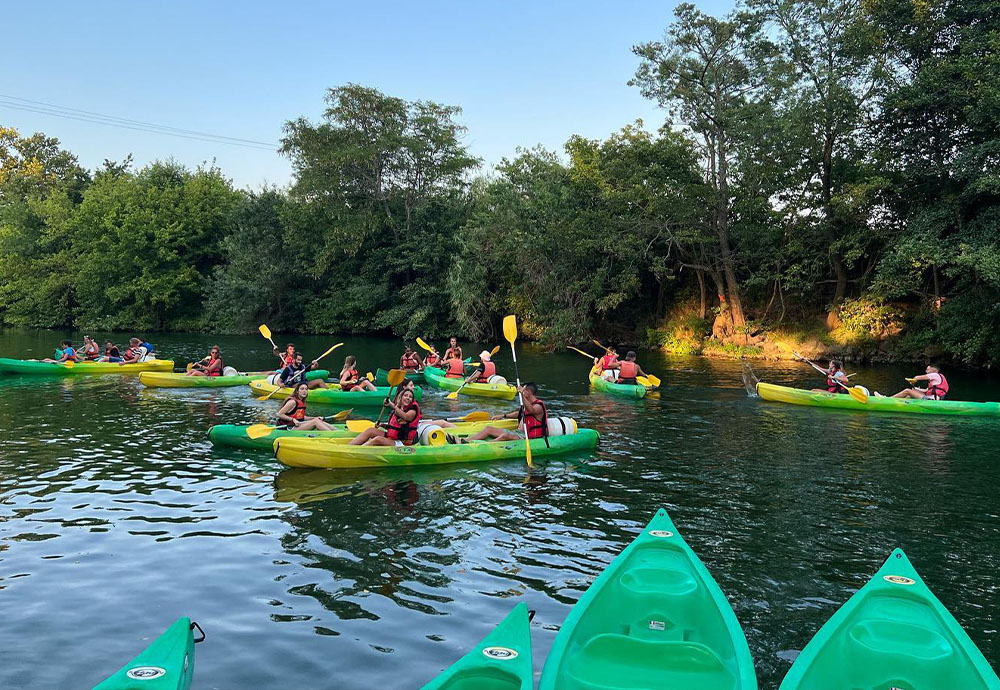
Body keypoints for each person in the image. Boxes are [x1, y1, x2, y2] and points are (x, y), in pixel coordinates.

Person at [458, 382, 547, 443]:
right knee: (488, 429)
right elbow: (519, 413)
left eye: (523, 392)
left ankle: (480, 446)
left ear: (528, 392)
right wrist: (503, 415)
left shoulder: (539, 406)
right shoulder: (527, 404)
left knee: (505, 435)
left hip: (529, 436)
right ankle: (466, 440)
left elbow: (531, 410)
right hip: (519, 433)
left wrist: (522, 396)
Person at [349, 384, 421, 446]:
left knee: (378, 439)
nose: (408, 398)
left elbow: (406, 417)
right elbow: (397, 428)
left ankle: (357, 450)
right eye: (405, 395)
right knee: (370, 430)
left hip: (402, 442)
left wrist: (392, 405)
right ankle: (349, 446)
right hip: (393, 438)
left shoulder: (412, 410)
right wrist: (383, 425)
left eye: (410, 397)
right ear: (401, 398)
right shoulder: (399, 408)